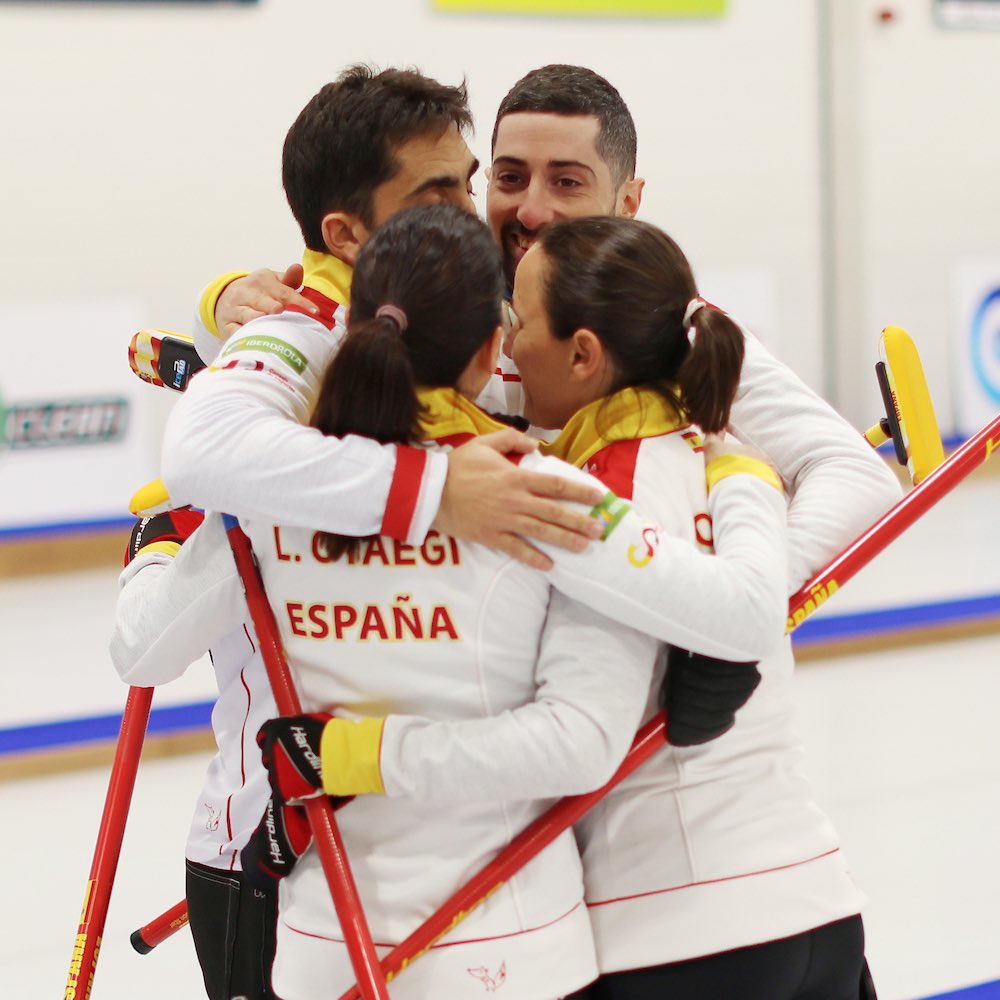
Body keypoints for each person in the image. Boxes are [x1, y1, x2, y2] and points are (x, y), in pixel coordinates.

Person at [117, 66, 788, 1000]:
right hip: (411, 903)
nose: (478, 212)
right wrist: (737, 484)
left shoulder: (334, 434)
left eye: (467, 183)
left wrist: (157, 538)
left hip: (365, 903)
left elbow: (142, 638)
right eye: (445, 192)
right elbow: (204, 450)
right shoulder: (491, 460)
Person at [502, 215, 871, 998]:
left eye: (519, 322)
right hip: (817, 907)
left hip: (681, 934)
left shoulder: (597, 499)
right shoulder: (721, 453)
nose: (507, 347)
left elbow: (581, 736)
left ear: (582, 353)